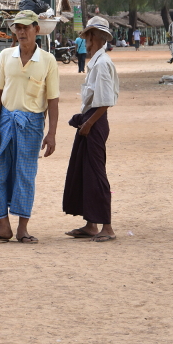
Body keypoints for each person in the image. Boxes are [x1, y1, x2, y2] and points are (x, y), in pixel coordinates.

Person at [0, 10, 60, 244]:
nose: (22, 31)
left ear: (37, 29)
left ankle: (22, 228)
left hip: (33, 124)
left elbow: (53, 100)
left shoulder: (48, 60)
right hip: (5, 121)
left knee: (25, 174)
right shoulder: (6, 55)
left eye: (26, 27)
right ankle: (3, 226)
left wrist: (52, 134)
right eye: (18, 27)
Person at [63, 17, 120, 242]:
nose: (84, 41)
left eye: (86, 36)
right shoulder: (97, 62)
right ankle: (91, 223)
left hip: (95, 122)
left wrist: (88, 123)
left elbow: (104, 101)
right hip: (91, 119)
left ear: (93, 37)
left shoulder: (103, 63)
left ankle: (107, 226)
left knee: (96, 173)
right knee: (86, 172)